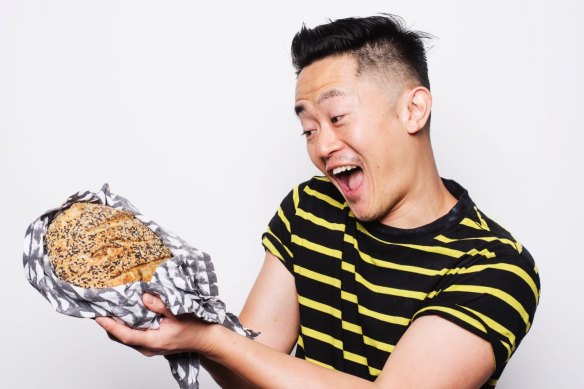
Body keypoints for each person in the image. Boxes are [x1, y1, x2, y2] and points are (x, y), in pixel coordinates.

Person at [96, 14, 540, 388]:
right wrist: (186, 328)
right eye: (309, 129)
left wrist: (211, 339)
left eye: (337, 117)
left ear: (413, 109)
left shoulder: (496, 268)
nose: (322, 146)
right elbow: (252, 365)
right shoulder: (310, 209)